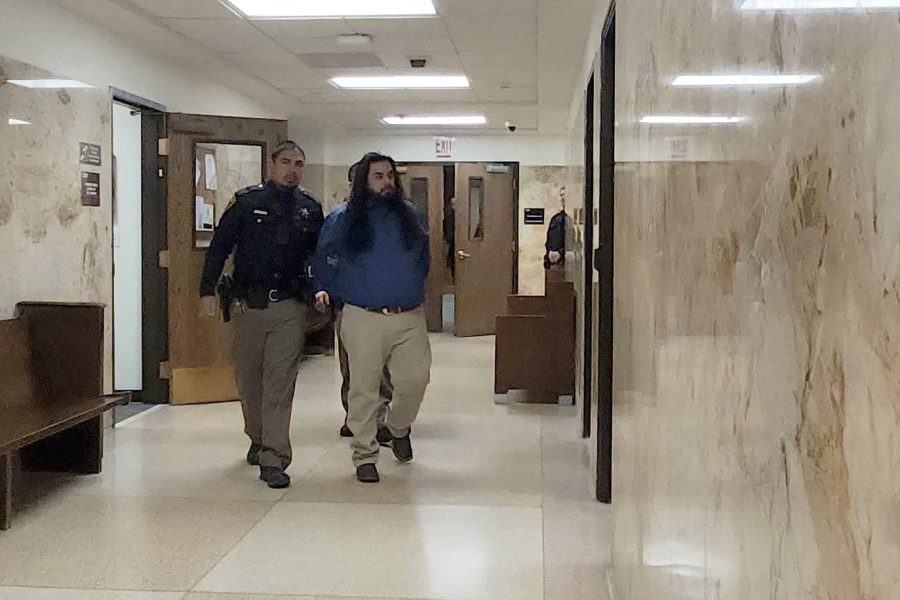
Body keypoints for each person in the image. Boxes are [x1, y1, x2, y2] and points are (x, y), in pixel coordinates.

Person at [199, 140, 323, 489]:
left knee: (280, 383)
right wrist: (206, 290)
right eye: (286, 162)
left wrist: (321, 291)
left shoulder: (310, 210)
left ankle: (274, 456)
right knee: (249, 379)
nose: (292, 169)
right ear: (271, 165)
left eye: (299, 164)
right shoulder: (246, 202)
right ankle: (257, 435)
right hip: (247, 305)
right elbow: (220, 247)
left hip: (289, 306)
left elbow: (319, 257)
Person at [314, 152, 431, 484]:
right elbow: (324, 259)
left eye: (390, 175)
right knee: (364, 389)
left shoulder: (409, 216)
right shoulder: (344, 218)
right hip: (363, 315)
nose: (386, 182)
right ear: (364, 181)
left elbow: (424, 257)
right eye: (378, 176)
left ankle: (397, 427)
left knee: (415, 379)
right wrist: (339, 295)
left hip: (408, 314)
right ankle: (365, 455)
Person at [333, 162, 394, 443]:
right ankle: (355, 415)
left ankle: (379, 418)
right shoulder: (342, 218)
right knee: (352, 365)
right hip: (350, 302)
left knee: (381, 367)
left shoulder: (394, 217)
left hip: (384, 303)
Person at [544, 186, 571, 269]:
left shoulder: (569, 219)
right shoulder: (557, 219)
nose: (562, 198)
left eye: (564, 195)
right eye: (561, 195)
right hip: (558, 262)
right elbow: (551, 242)